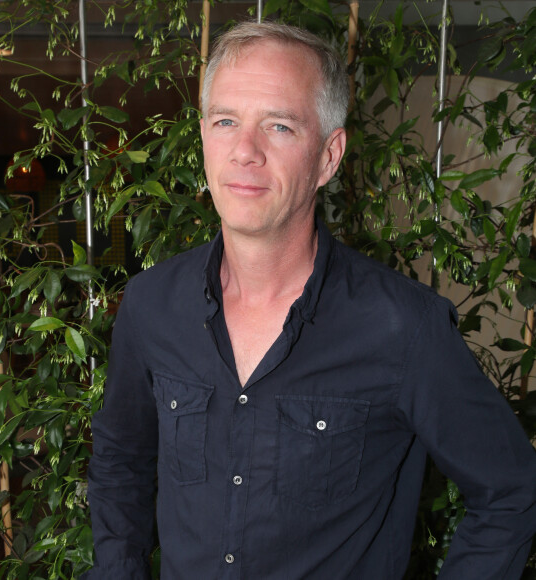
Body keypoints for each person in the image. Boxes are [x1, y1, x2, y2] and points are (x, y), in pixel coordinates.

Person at [84, 21, 536, 579]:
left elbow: (511, 490)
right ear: (203, 136)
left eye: (279, 126)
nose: (245, 151)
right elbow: (120, 464)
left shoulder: (403, 328)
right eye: (226, 121)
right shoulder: (152, 306)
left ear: (329, 156)